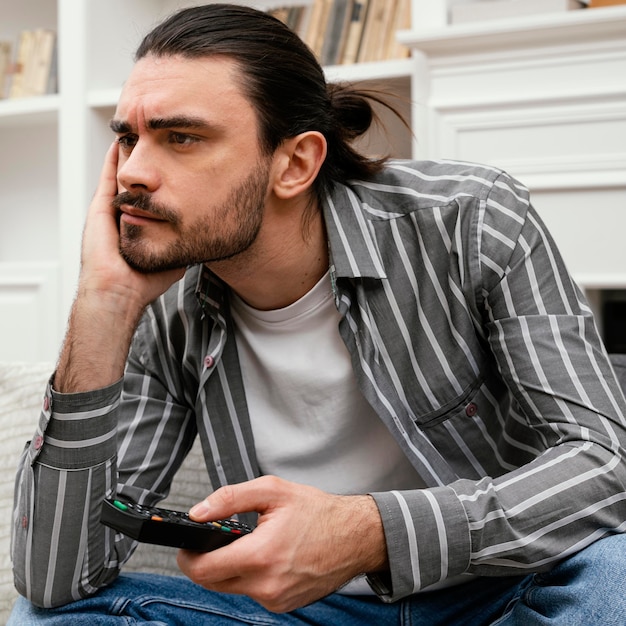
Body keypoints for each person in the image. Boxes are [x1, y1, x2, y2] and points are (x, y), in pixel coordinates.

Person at [8, 4, 626, 625]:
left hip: (500, 591)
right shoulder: (162, 301)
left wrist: (370, 531)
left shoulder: (472, 220)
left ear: (296, 163)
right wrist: (103, 305)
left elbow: (607, 464)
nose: (132, 173)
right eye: (127, 138)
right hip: (297, 615)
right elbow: (55, 580)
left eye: (182, 137)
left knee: (616, 579)